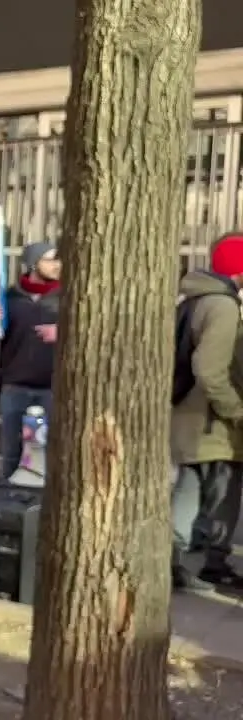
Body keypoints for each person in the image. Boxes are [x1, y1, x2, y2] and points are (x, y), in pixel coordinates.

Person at [170, 234, 243, 593]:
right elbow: (210, 368)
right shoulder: (223, 306)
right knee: (213, 493)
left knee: (194, 489)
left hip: (192, 416)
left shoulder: (195, 298)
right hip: (211, 421)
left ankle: (179, 562)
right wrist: (237, 411)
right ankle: (192, 564)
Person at [0, 241, 60, 481]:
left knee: (49, 450)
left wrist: (62, 332)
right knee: (11, 450)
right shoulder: (9, 298)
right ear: (32, 264)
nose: (56, 265)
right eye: (49, 259)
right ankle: (8, 500)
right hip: (15, 386)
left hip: (51, 387)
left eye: (56, 259)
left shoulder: (65, 297)